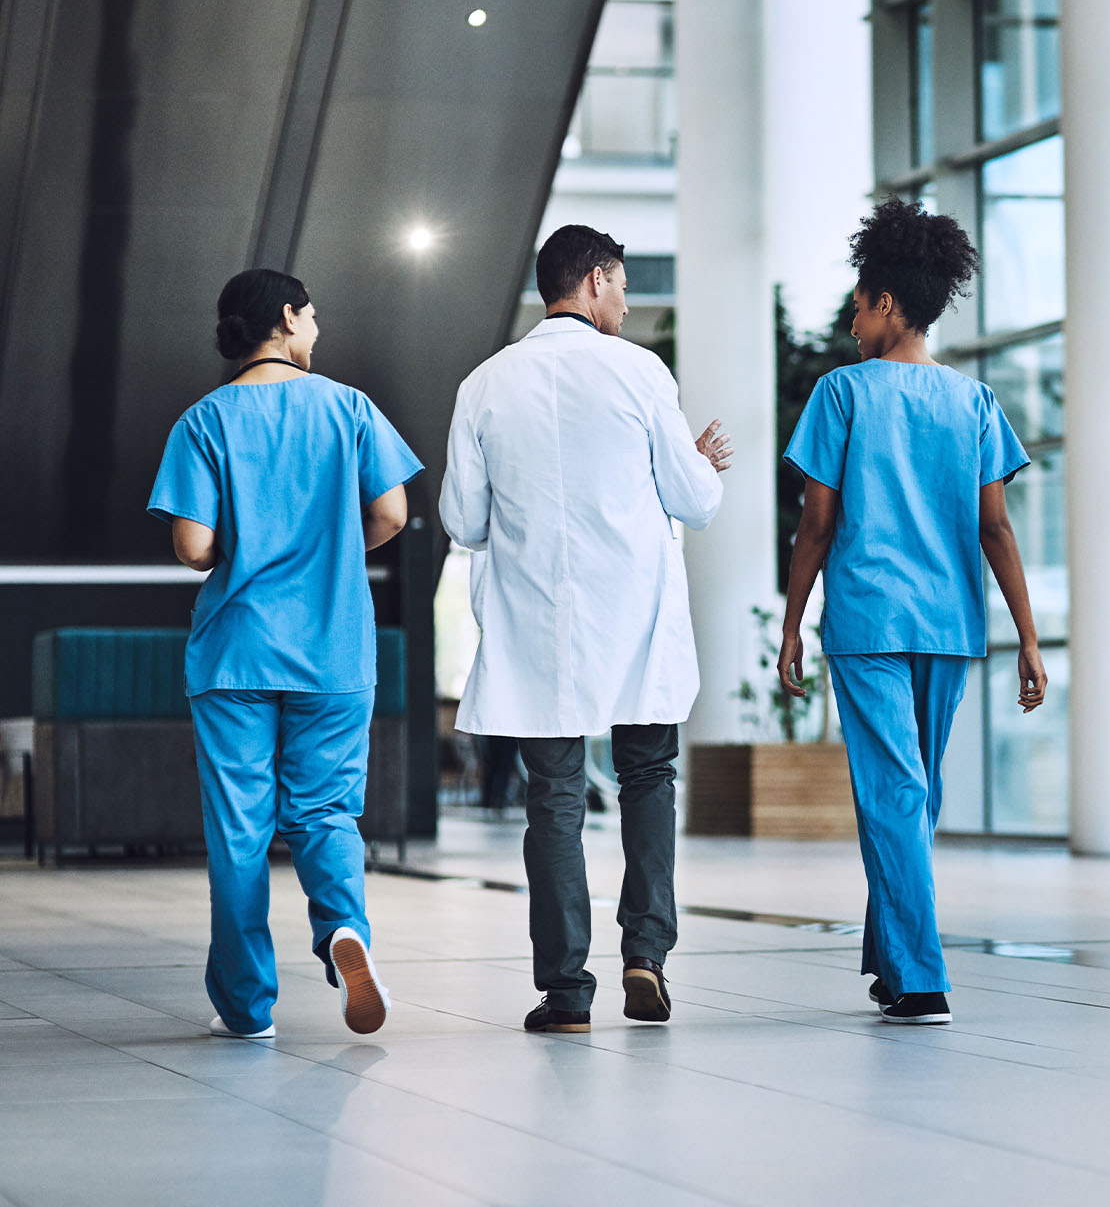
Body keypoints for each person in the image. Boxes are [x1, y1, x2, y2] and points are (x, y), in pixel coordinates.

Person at [440, 224, 731, 1034]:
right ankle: (646, 954)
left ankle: (566, 993)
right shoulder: (641, 372)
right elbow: (695, 500)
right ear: (596, 280)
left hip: (541, 626)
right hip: (636, 621)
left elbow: (462, 519)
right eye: (625, 286)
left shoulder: (485, 384)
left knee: (555, 801)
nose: (628, 303)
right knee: (647, 780)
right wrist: (699, 462)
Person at [778, 198, 1046, 1026]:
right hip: (950, 625)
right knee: (913, 798)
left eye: (859, 306)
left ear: (887, 302)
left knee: (896, 796)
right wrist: (1027, 642)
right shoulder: (973, 405)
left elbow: (817, 523)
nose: (854, 323)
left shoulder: (841, 393)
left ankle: (923, 980)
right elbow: (994, 528)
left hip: (867, 623)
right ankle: (893, 962)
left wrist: (790, 623)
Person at [148, 268, 422, 1039]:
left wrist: (245, 551)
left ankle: (246, 1007)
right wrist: (332, 546)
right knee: (326, 810)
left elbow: (192, 544)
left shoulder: (204, 421)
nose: (318, 330)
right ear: (288, 318)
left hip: (234, 653)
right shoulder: (350, 408)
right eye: (313, 316)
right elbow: (393, 514)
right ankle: (345, 933)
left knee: (239, 829)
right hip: (333, 648)